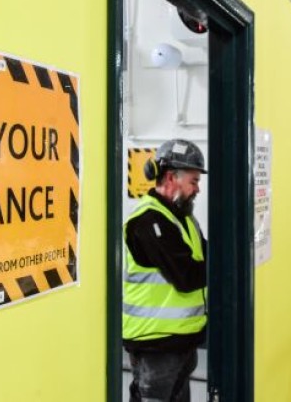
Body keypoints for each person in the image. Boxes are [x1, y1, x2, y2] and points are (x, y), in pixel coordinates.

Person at [123, 139, 208, 402]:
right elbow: (187, 277)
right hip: (156, 346)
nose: (197, 189)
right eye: (193, 181)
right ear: (172, 177)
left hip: (182, 342)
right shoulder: (149, 221)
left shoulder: (183, 219)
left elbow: (205, 256)